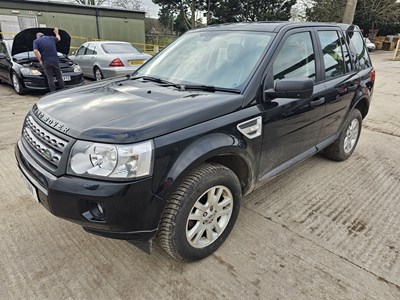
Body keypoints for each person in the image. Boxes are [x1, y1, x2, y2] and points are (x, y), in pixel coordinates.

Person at [33, 28, 65, 92]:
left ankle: (53, 92)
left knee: (50, 78)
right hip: (55, 61)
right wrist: (56, 33)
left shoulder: (36, 41)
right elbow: (59, 38)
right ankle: (63, 90)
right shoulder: (51, 38)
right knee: (59, 77)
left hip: (46, 62)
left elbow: (35, 51)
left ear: (37, 37)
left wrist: (40, 60)